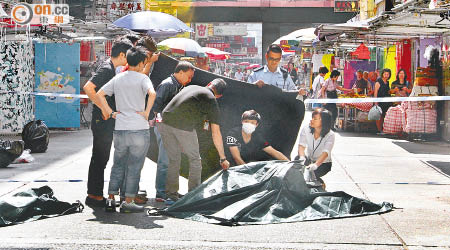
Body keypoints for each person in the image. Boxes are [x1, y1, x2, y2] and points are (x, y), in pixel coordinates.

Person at [96, 46, 156, 213]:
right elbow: (152, 94)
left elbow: (100, 94)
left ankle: (110, 199)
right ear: (142, 62)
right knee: (134, 166)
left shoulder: (119, 78)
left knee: (118, 164)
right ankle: (128, 201)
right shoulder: (143, 79)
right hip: (139, 128)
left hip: (121, 127)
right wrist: (146, 112)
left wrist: (109, 112)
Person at [158, 79, 230, 204]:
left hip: (165, 121)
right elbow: (216, 132)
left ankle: (171, 196)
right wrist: (223, 158)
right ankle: (193, 195)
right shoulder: (211, 99)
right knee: (195, 160)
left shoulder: (192, 87)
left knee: (174, 160)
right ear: (219, 96)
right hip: (183, 126)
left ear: (209, 84)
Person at [83, 38, 133, 207]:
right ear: (121, 54)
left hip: (105, 119)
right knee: (100, 157)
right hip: (101, 120)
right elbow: (88, 88)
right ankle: (94, 195)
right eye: (129, 56)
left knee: (101, 157)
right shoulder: (106, 68)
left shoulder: (112, 68)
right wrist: (104, 108)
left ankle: (95, 193)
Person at [152, 61, 195, 202]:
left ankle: (171, 192)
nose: (189, 80)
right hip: (165, 128)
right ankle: (161, 193)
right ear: (180, 72)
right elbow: (156, 107)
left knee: (173, 161)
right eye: (188, 77)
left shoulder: (178, 85)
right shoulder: (168, 85)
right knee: (165, 161)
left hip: (173, 128)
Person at [225, 110, 289, 166]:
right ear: (242, 122)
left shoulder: (257, 137)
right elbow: (236, 158)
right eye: (246, 121)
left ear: (256, 124)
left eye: (252, 122)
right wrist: (248, 172)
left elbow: (274, 152)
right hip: (231, 167)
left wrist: (290, 164)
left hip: (247, 165)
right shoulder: (233, 134)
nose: (249, 124)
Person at [298, 108, 335, 186]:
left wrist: (316, 165)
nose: (311, 120)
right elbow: (301, 145)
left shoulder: (330, 135)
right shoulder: (306, 129)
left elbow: (326, 152)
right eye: (312, 118)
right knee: (297, 165)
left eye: (315, 119)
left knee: (311, 173)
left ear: (323, 121)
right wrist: (302, 157)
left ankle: (320, 184)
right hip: (309, 159)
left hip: (323, 163)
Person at [373, 68, 393, 133]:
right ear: (382, 74)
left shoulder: (387, 82)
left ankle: (384, 129)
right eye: (385, 74)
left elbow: (388, 91)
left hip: (386, 102)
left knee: (385, 115)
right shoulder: (378, 81)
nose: (386, 75)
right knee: (379, 116)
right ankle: (379, 130)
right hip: (379, 101)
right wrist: (376, 102)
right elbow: (375, 92)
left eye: (387, 74)